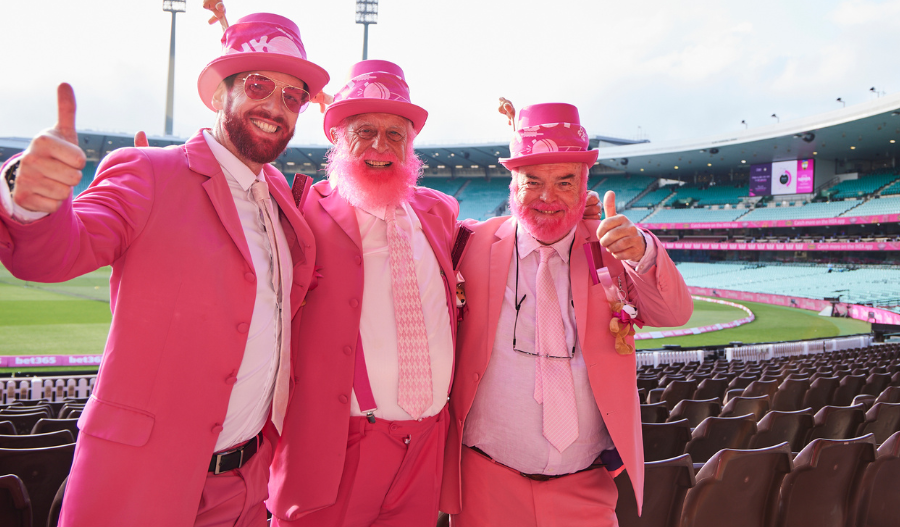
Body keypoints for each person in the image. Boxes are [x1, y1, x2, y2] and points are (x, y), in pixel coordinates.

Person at [0, 13, 328, 527]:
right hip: (142, 481)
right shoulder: (148, 173)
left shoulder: (282, 194)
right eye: (258, 86)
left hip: (246, 483)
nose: (275, 107)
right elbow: (54, 252)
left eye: (291, 96)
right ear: (218, 96)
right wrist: (30, 200)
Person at [440, 103, 693, 526]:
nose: (547, 197)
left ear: (584, 186)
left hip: (585, 489)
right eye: (532, 181)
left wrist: (644, 254)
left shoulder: (612, 249)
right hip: (484, 484)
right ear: (511, 183)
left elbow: (674, 312)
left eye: (564, 181)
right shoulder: (469, 245)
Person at [266, 59, 460, 527]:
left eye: (396, 134)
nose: (380, 146)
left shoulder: (439, 213)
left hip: (426, 445)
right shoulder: (298, 209)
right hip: (337, 447)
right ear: (336, 138)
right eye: (365, 130)